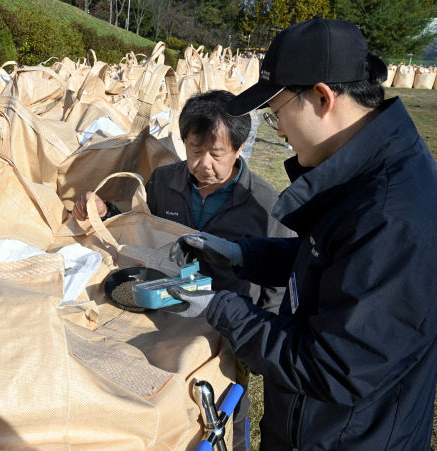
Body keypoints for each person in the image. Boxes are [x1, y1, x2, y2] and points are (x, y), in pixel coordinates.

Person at [167, 17, 437, 450]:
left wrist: (219, 306)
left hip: (345, 437)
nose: (282, 132)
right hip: (307, 425)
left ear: (322, 98)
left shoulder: (393, 214)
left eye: (277, 115)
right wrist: (240, 254)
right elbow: (328, 260)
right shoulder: (366, 170)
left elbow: (331, 367)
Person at [73, 89, 294, 451]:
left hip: (228, 326)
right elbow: (140, 228)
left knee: (226, 405)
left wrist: (262, 335)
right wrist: (106, 211)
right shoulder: (165, 182)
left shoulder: (265, 205)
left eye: (216, 154)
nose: (203, 163)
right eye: (195, 150)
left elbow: (279, 283)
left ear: (239, 149)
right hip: (167, 313)